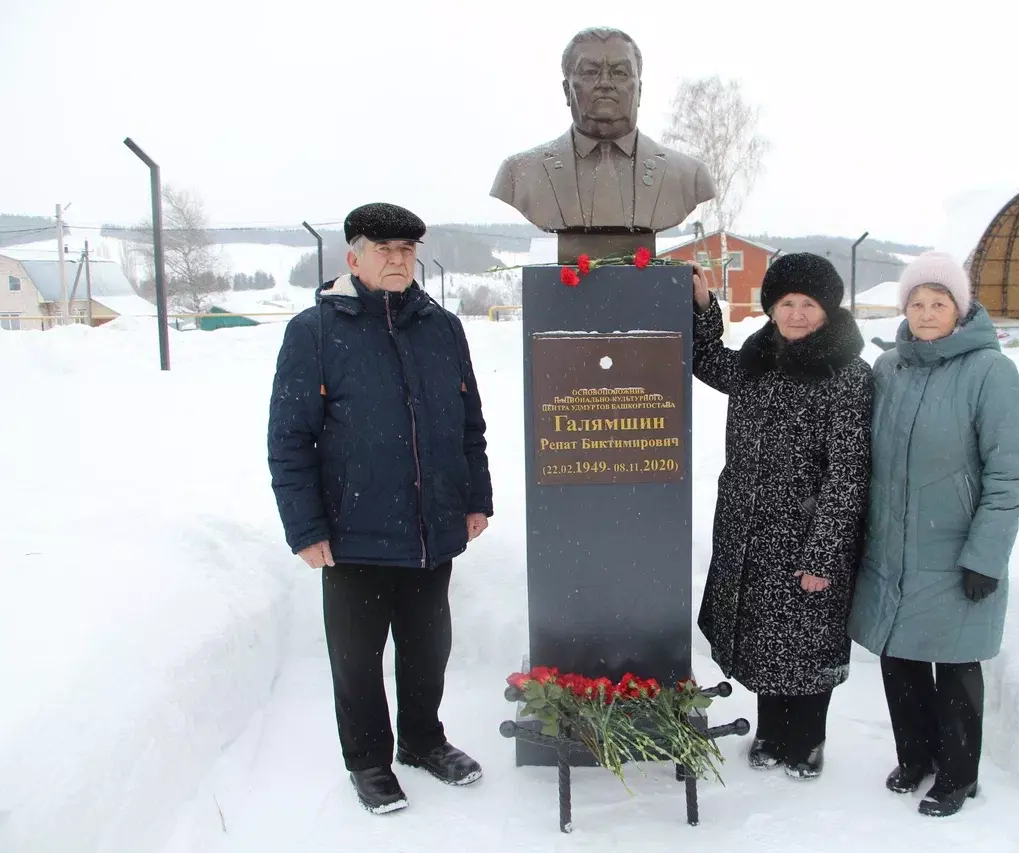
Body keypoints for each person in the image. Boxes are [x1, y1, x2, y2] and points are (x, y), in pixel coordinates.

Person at [267, 203, 494, 815]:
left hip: (431, 528)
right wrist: (306, 528)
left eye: (406, 249)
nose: (397, 259)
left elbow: (467, 423)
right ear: (353, 257)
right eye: (383, 249)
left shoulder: (442, 328)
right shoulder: (315, 331)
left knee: (427, 647)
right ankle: (368, 760)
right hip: (352, 529)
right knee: (357, 656)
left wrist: (476, 498)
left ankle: (423, 741)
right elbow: (289, 438)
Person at [847, 251, 1019, 817]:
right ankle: (916, 756)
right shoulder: (889, 370)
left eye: (939, 303)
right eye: (917, 303)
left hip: (954, 551)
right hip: (893, 545)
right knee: (899, 659)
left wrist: (986, 556)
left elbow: (1008, 474)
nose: (927, 314)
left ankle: (957, 776)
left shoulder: (991, 372)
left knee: (953, 665)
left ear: (960, 307)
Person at [691, 253, 873, 780]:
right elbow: (706, 360)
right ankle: (771, 732)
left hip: (808, 530)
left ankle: (808, 739)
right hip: (751, 527)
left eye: (808, 304)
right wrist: (705, 308)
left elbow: (847, 473)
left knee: (807, 639)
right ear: (771, 308)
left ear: (828, 310)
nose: (796, 314)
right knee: (766, 635)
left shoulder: (848, 376)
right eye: (786, 303)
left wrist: (824, 553)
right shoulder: (757, 364)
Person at [489, 26, 714, 232]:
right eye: (590, 72)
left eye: (619, 72)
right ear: (567, 90)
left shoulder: (690, 176)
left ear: (640, 91)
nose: (605, 83)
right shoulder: (519, 173)